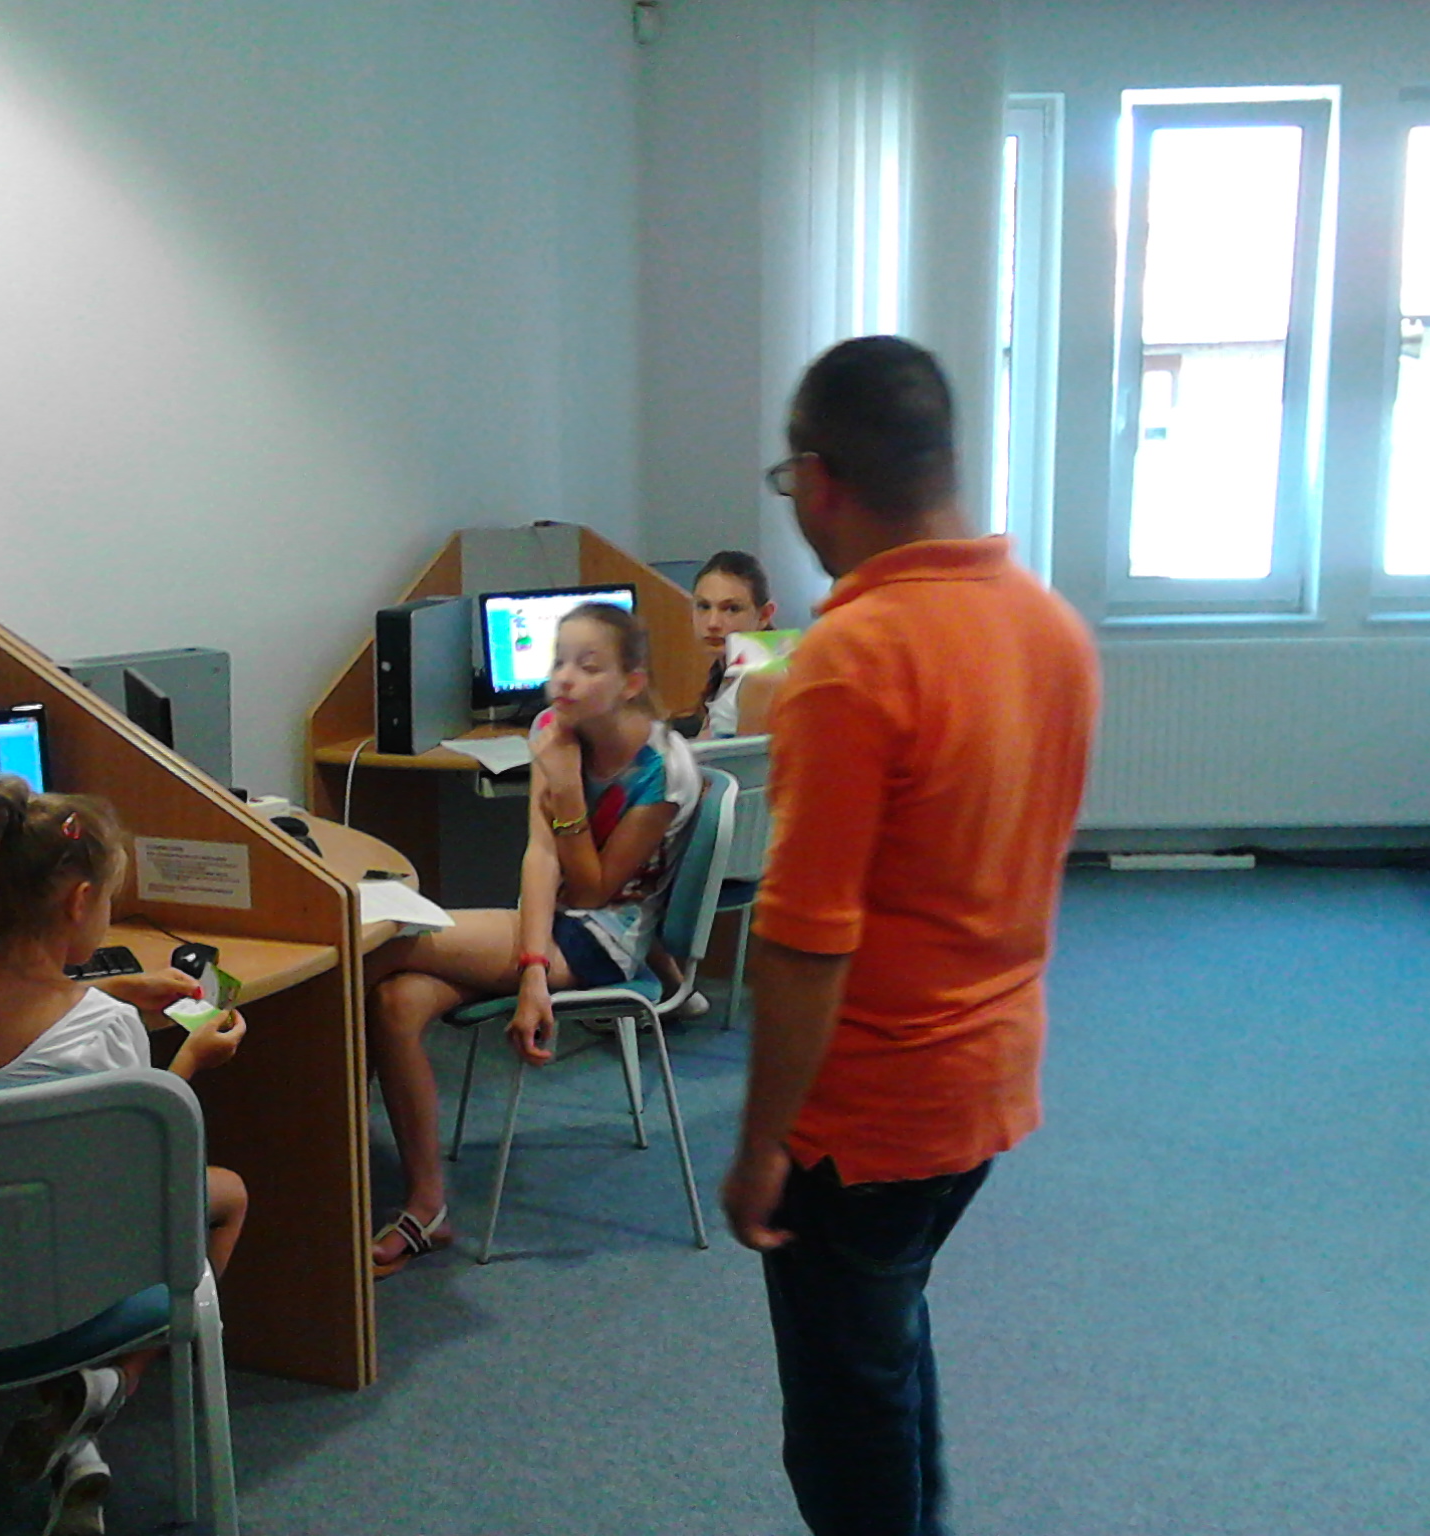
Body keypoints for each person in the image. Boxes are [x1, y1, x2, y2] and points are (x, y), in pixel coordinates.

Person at [721, 336, 1099, 1536]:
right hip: (981, 1088)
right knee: (883, 1344)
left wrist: (760, 1145)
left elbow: (803, 944)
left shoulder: (851, 659)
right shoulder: (1048, 627)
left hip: (863, 1118)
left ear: (818, 479)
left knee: (842, 1428)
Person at [0, 778, 248, 1536]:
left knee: (47, 1194)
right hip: (64, 1281)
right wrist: (190, 1058)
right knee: (226, 1196)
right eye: (109, 901)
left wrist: (118, 985)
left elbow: (16, 992)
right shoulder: (102, 1030)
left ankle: (75, 1444)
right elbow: (145, 1156)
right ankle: (107, 1390)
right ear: (79, 901)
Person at [367, 602, 702, 1275]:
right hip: (546, 930)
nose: (565, 679)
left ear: (631, 683)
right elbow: (540, 856)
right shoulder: (553, 729)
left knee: (383, 942)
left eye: (589, 666)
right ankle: (428, 1206)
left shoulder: (663, 770)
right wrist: (530, 969)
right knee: (395, 1001)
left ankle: (314, 1146)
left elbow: (594, 891)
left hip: (605, 942)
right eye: (558, 662)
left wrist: (568, 791)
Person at [685, 549, 779, 738]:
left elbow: (752, 758)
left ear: (764, 615)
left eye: (731, 609)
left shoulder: (762, 678)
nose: (712, 623)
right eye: (703, 606)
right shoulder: (731, 668)